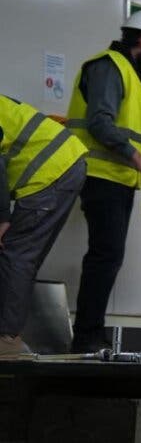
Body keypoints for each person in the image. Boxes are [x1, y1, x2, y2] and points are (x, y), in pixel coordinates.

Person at [67, 9, 141, 350]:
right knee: (105, 256)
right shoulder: (108, 67)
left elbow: (139, 131)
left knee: (107, 256)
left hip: (117, 179)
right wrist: (140, 160)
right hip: (102, 177)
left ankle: (90, 334)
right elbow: (101, 124)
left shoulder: (129, 75)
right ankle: (86, 337)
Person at [0, 97, 88, 357]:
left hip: (51, 171)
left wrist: (2, 217)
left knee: (17, 255)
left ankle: (7, 341)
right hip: (63, 165)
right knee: (21, 256)